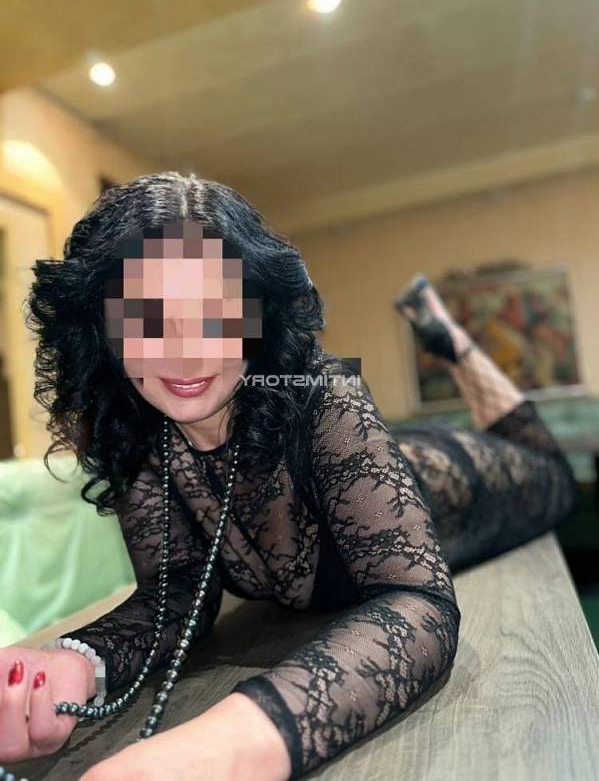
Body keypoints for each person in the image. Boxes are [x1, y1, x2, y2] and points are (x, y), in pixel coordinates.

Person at [0, 173, 578, 780]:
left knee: (551, 468)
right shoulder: (137, 431)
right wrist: (75, 661)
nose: (181, 348)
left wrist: (229, 748)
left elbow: (420, 604)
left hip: (461, 476)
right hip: (383, 452)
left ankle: (448, 339)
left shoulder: (325, 390)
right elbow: (176, 592)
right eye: (145, 316)